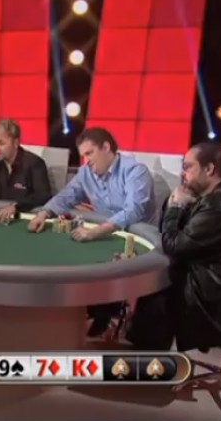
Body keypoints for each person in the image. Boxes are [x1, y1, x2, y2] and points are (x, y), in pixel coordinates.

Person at [126, 143, 221, 351]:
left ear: (209, 169)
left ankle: (146, 356)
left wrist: (175, 206)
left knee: (159, 282)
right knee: (166, 274)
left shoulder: (220, 208)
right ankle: (145, 348)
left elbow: (174, 245)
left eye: (188, 167)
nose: (182, 174)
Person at [27, 127, 157, 337]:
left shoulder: (135, 170)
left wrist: (96, 232)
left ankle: (102, 316)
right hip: (105, 235)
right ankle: (77, 315)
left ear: (106, 147)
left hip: (137, 242)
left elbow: (134, 211)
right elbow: (66, 197)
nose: (86, 161)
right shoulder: (85, 173)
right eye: (83, 156)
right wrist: (43, 213)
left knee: (107, 266)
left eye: (90, 153)